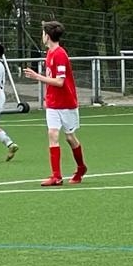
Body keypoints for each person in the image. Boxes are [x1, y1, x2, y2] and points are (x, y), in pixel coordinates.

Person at [23, 21, 87, 186]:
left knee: (70, 138)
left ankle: (81, 167)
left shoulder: (60, 54)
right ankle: (56, 176)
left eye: (43, 33)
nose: (42, 36)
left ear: (47, 36)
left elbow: (59, 82)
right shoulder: (49, 53)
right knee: (52, 134)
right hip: (53, 103)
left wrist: (37, 77)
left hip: (66, 103)